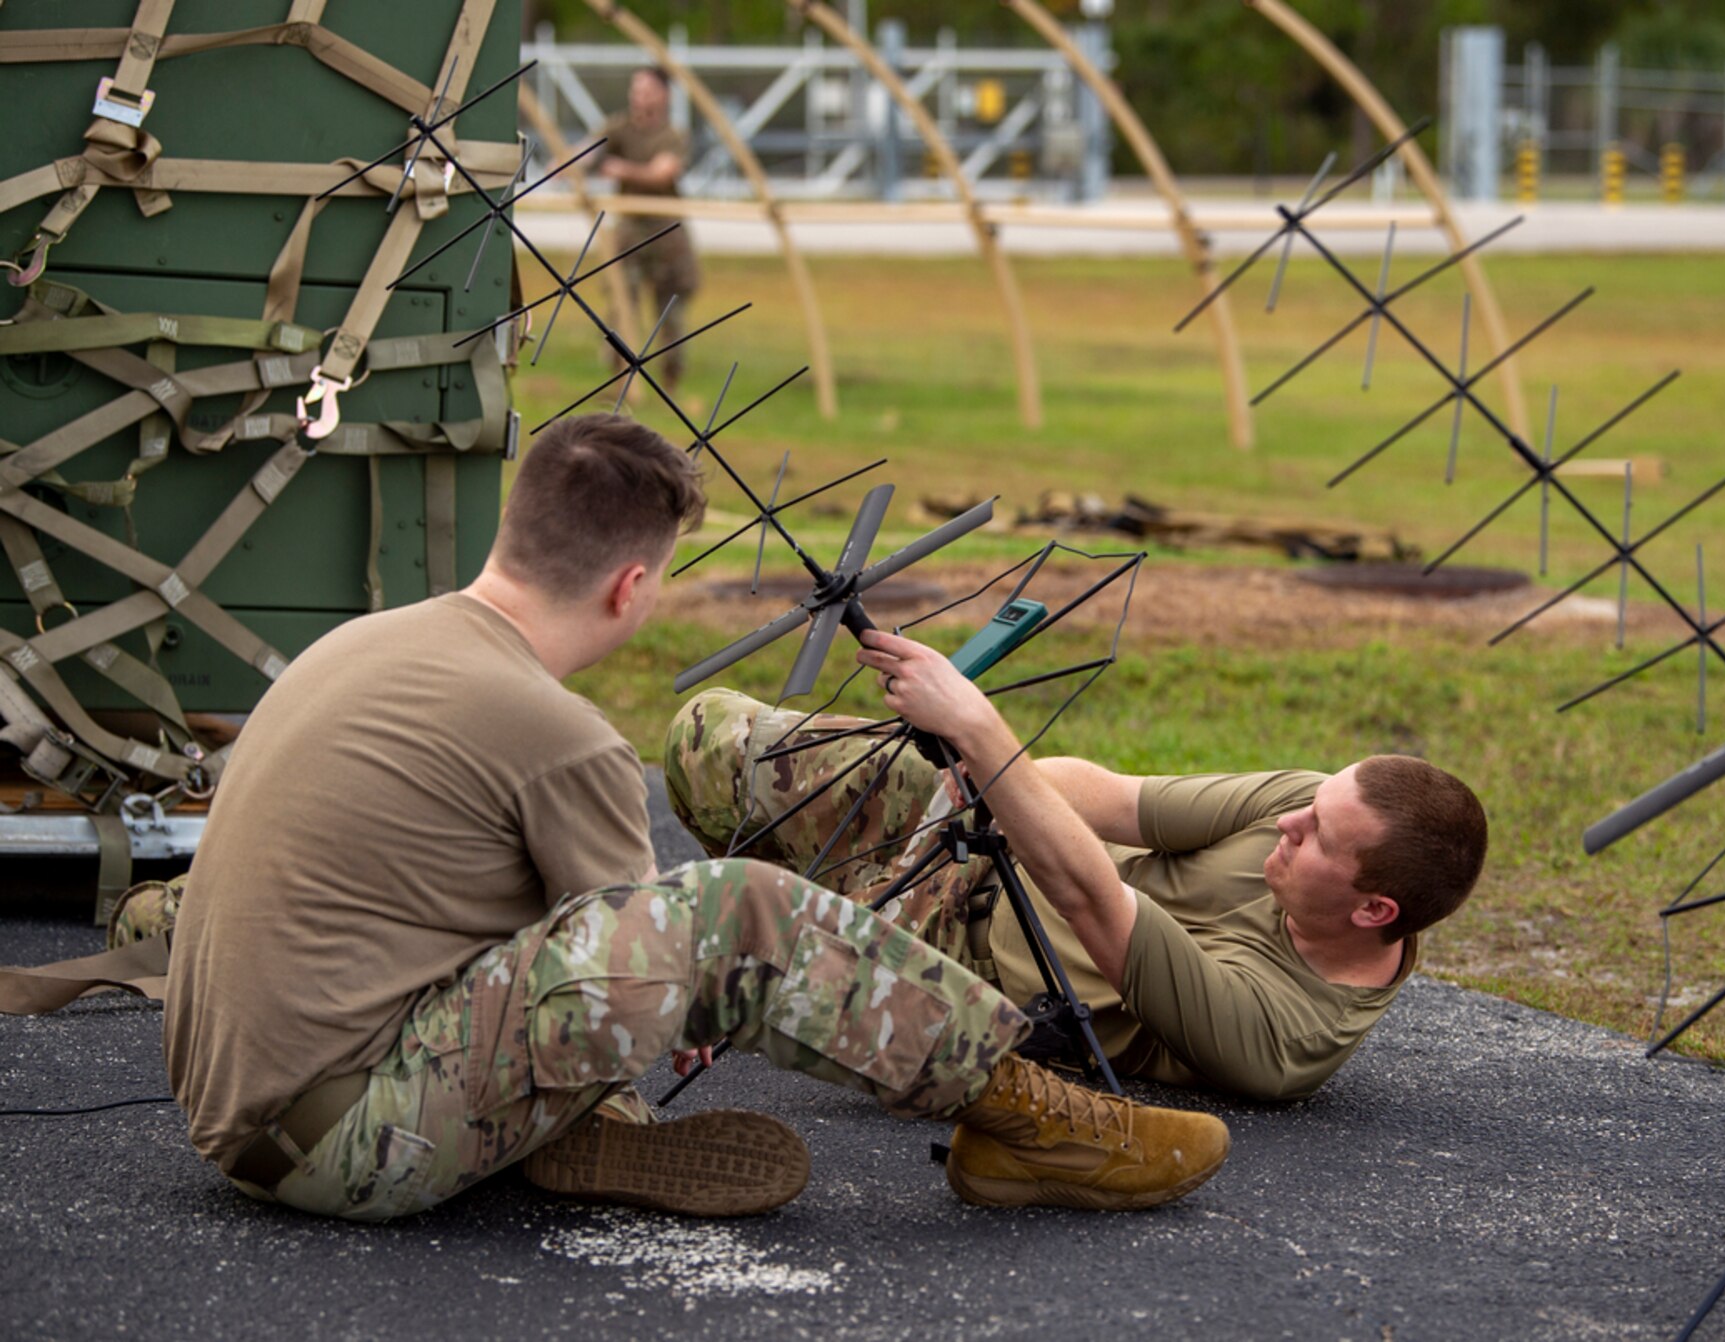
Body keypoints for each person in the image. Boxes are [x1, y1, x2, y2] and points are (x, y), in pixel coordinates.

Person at [151, 414, 1227, 1223]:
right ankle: (1029, 1120)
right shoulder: (556, 734)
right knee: (735, 911)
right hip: (346, 1143)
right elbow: (658, 957)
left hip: (239, 1116)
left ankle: (560, 1130)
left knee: (651, 934)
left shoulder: (366, 641)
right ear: (629, 587)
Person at [668, 639, 1487, 1105]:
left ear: (1375, 910)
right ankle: (780, 898)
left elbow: (1092, 899)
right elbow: (1101, 795)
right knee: (707, 736)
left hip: (954, 966)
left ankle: (752, 940)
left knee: (707, 953)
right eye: (1313, 803)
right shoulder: (1308, 802)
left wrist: (979, 729)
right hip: (974, 829)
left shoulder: (1285, 1036)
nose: (1291, 819)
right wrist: (970, 796)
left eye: (1316, 837)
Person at [599, 67, 700, 392]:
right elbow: (589, 151)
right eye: (635, 89)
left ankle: (671, 376)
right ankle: (620, 377)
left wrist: (621, 170)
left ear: (664, 95)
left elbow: (662, 173)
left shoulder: (673, 135)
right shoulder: (619, 128)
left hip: (665, 232)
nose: (639, 97)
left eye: (647, 90)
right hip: (629, 229)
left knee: (669, 309)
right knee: (620, 301)